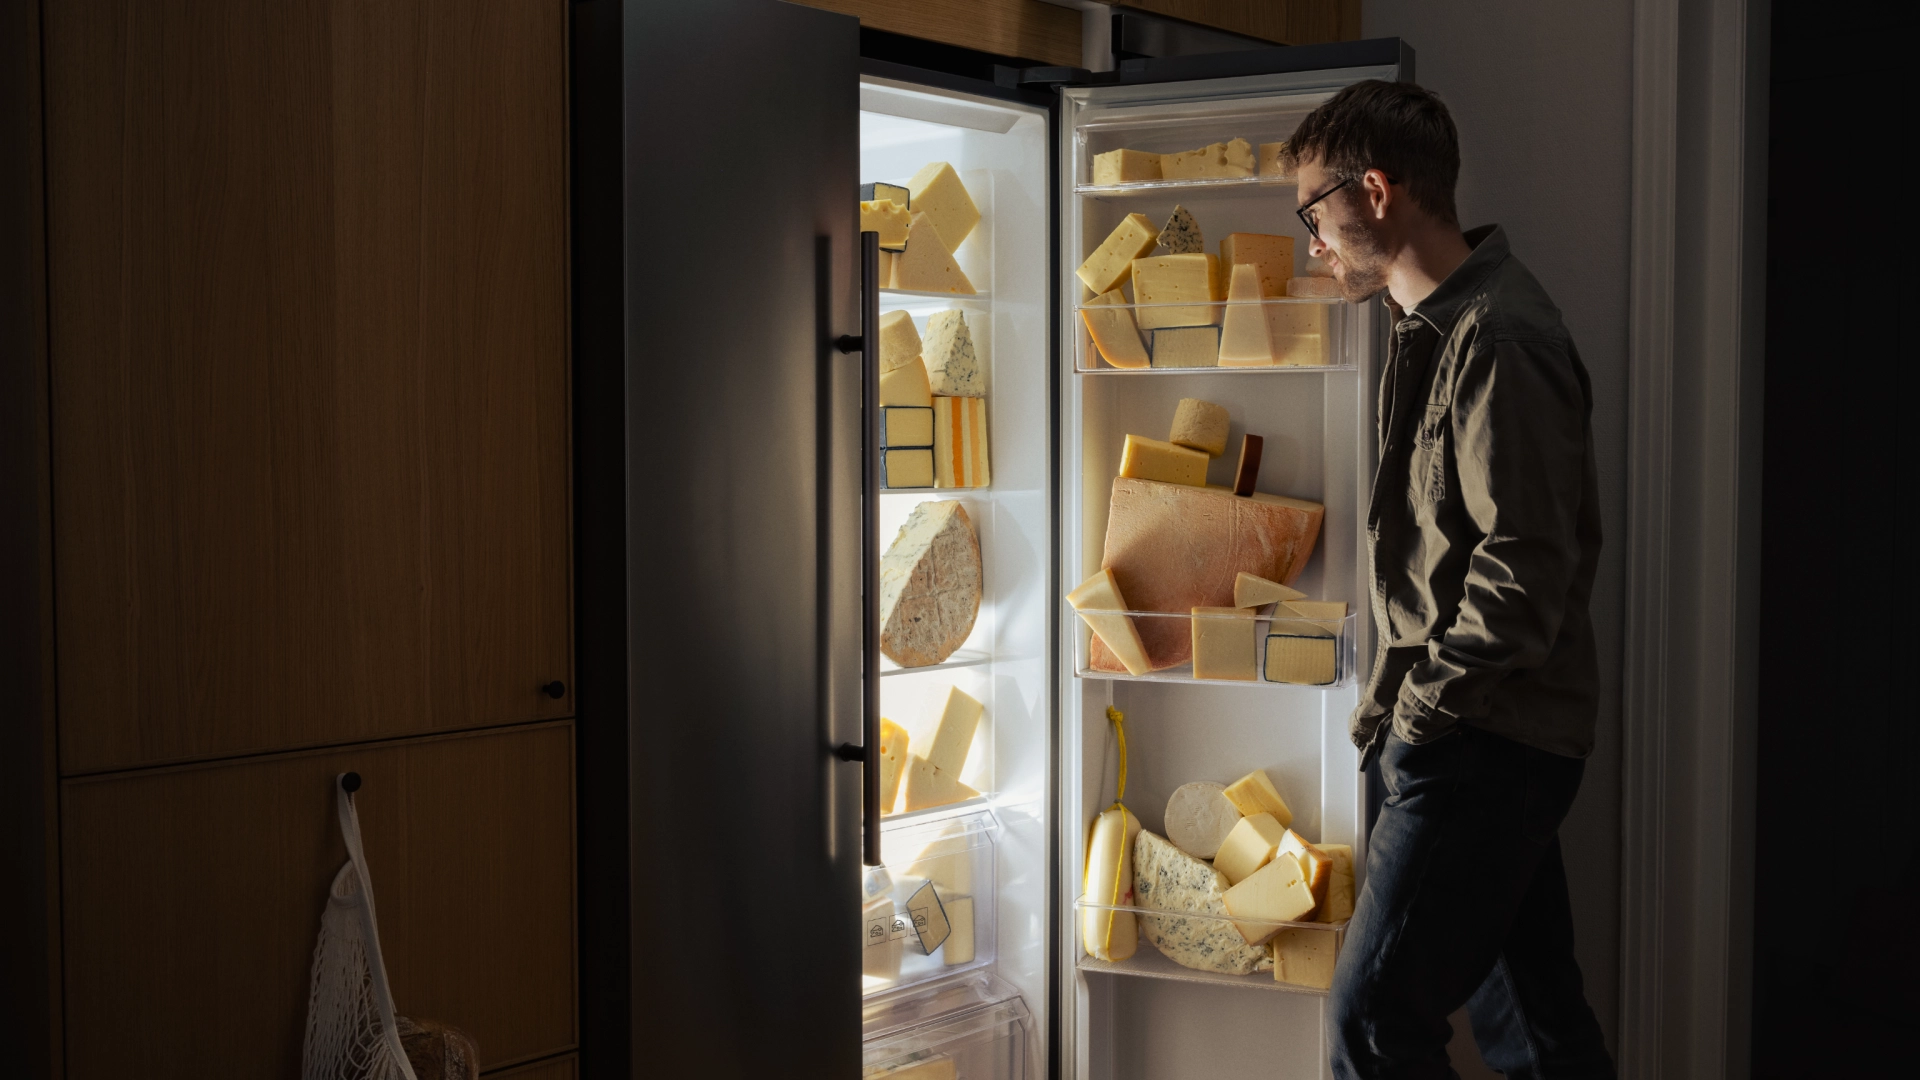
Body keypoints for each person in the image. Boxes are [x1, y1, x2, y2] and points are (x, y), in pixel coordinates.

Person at [1281, 81, 1615, 1079]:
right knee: (1538, 1031)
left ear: (1375, 191)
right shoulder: (1429, 324)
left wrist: (1421, 717)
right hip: (1485, 731)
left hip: (1482, 739)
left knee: (1373, 1025)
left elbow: (1524, 572)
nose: (1312, 242)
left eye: (1313, 213)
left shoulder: (1500, 338)